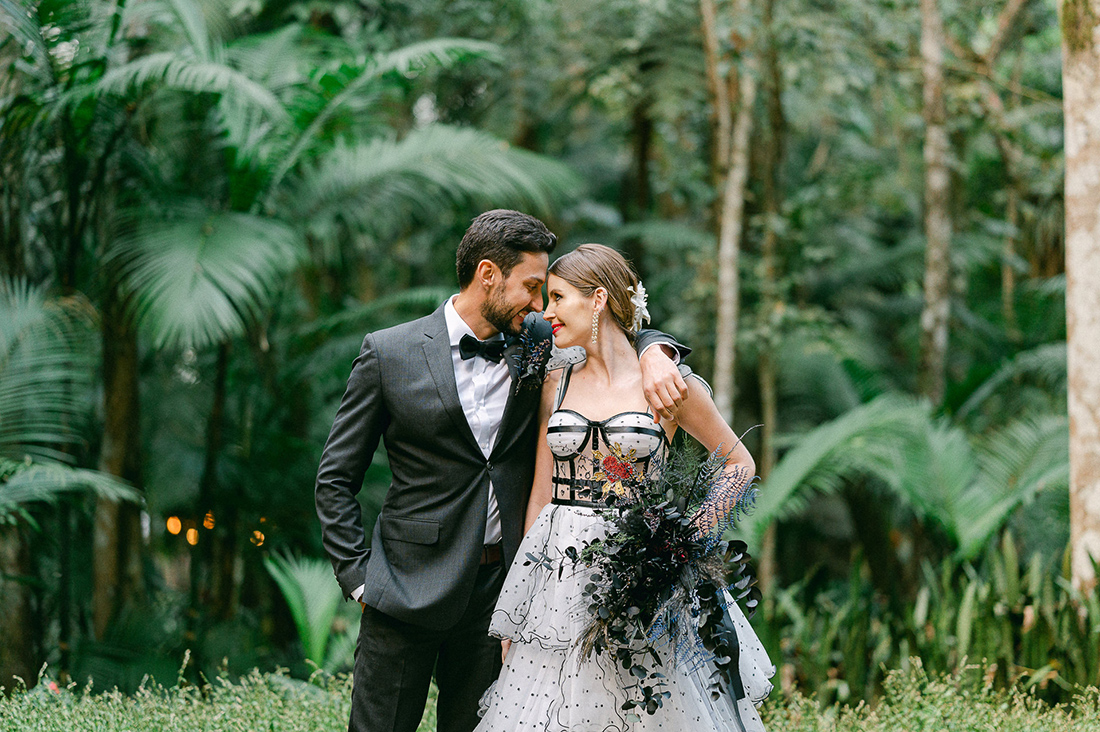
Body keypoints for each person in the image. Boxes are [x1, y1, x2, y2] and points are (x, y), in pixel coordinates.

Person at [314, 211, 690, 732]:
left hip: (497, 598)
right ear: (488, 274)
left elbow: (609, 330)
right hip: (402, 589)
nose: (539, 305)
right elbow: (335, 478)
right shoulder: (389, 353)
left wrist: (656, 351)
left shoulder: (537, 342)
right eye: (532, 287)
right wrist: (358, 580)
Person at [475, 243, 774, 732]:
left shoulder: (667, 385)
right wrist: (521, 601)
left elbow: (739, 464)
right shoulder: (555, 381)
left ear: (597, 300)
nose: (545, 312)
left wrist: (685, 541)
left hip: (641, 570)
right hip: (556, 578)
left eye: (558, 298)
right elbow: (540, 492)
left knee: (645, 704)